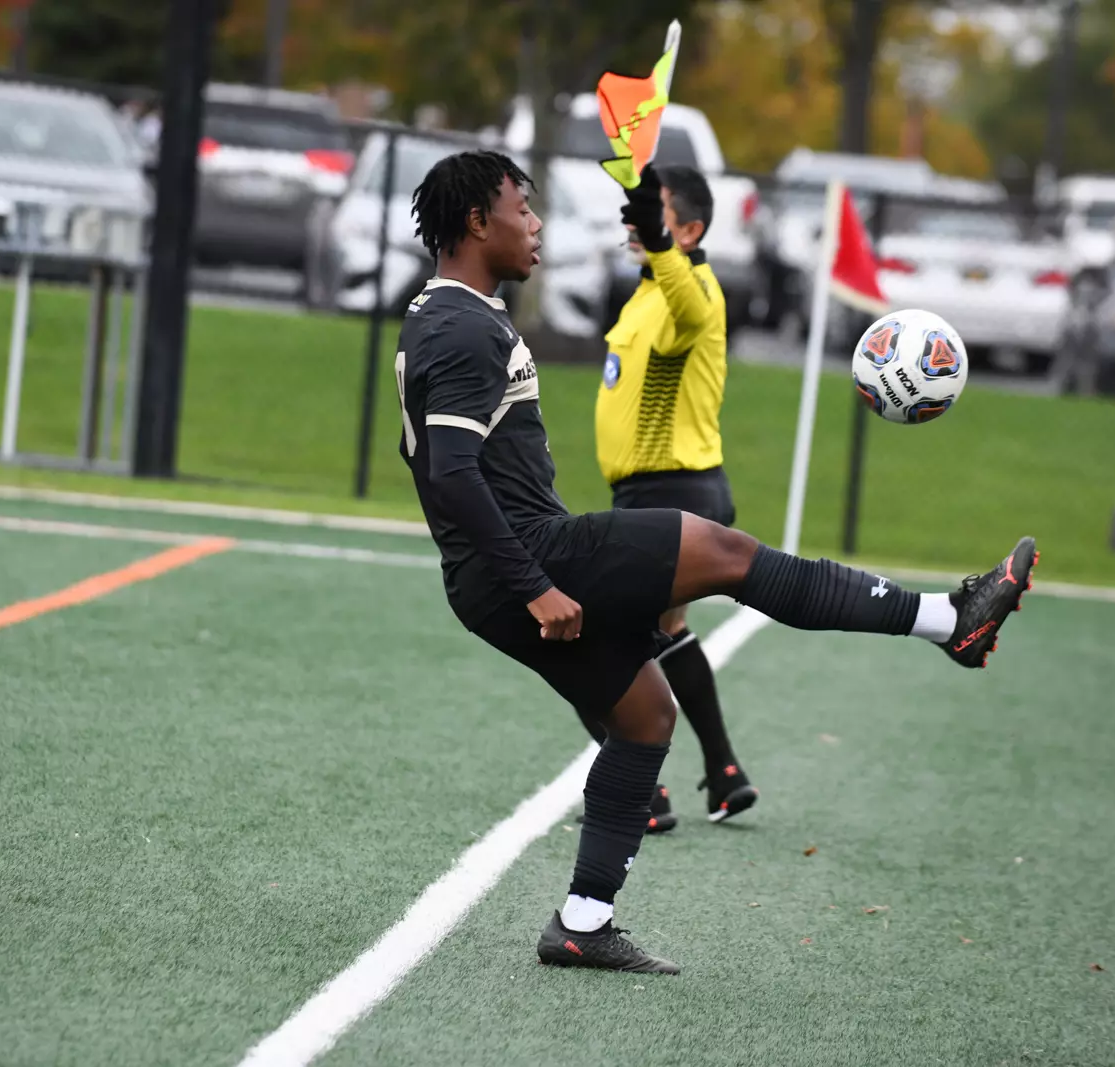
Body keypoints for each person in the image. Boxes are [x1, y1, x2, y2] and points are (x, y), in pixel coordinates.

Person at [395, 149, 1038, 976]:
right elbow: (447, 474)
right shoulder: (460, 322)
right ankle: (951, 621)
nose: (537, 221)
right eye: (524, 206)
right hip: (525, 559)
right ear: (478, 221)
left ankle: (583, 922)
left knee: (646, 719)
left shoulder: (458, 314)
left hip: (504, 566)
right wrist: (537, 584)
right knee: (731, 553)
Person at [593, 162, 754, 834]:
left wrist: (660, 245)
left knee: (589, 632)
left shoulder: (695, 291)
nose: (640, 224)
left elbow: (688, 302)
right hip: (657, 491)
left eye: (658, 216)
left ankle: (640, 790)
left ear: (689, 230)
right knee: (665, 629)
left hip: (671, 491)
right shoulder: (649, 289)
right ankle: (724, 772)